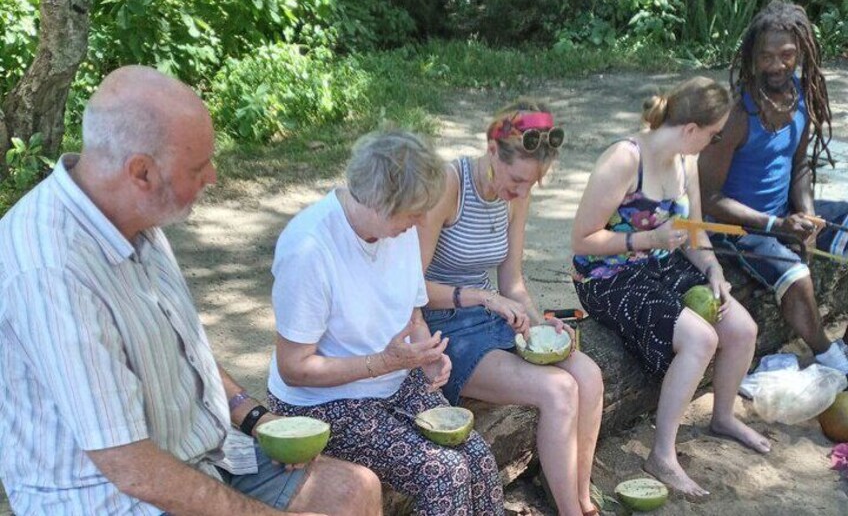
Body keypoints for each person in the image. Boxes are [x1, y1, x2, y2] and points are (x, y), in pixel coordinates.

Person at [0, 66, 381, 516]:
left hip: (202, 455)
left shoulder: (133, 216)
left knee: (355, 488)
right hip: (112, 498)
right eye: (198, 167)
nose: (214, 177)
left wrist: (253, 416)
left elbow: (181, 348)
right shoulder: (52, 270)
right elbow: (129, 467)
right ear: (141, 171)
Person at [266, 130, 504, 515]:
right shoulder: (309, 248)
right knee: (446, 473)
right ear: (379, 201)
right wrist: (384, 363)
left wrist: (425, 354)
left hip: (392, 378)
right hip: (324, 403)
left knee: (477, 456)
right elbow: (293, 368)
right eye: (415, 212)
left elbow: (411, 313)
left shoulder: (397, 229)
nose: (424, 220)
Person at [571, 77, 771, 497]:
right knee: (700, 338)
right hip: (608, 275)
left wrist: (714, 269)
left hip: (661, 261)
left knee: (741, 328)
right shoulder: (624, 160)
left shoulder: (687, 159)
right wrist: (648, 239)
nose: (714, 143)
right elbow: (582, 240)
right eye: (713, 135)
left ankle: (722, 416)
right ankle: (661, 454)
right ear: (690, 129)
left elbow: (694, 232)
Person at [418, 101, 604, 516]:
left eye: (531, 184)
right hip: (440, 328)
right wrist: (480, 297)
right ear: (491, 149)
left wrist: (542, 324)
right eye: (517, 179)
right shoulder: (449, 185)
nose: (520, 193)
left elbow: (513, 283)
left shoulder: (516, 194)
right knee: (559, 390)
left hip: (491, 315)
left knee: (588, 375)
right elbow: (410, 289)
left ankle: (581, 499)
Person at [699, 0, 848, 374]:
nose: (777, 65)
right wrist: (776, 226)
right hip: (734, 229)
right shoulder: (736, 113)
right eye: (766, 57)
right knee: (797, 276)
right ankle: (832, 360)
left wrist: (808, 216)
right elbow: (708, 198)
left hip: (781, 212)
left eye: (787, 55)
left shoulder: (802, 93)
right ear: (752, 56)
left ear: (801, 52)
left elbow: (799, 166)